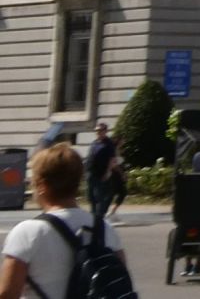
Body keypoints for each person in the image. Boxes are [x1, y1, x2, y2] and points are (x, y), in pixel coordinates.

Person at [0, 144, 128, 299]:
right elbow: (120, 284)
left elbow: (7, 293)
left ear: (42, 185)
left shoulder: (27, 232)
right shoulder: (105, 229)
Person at [84, 122, 117, 219]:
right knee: (90, 196)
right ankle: (93, 214)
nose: (98, 132)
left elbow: (112, 159)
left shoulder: (108, 143)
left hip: (101, 173)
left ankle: (99, 216)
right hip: (90, 172)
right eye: (97, 130)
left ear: (105, 131)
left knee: (99, 196)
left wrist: (108, 172)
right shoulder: (94, 142)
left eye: (100, 130)